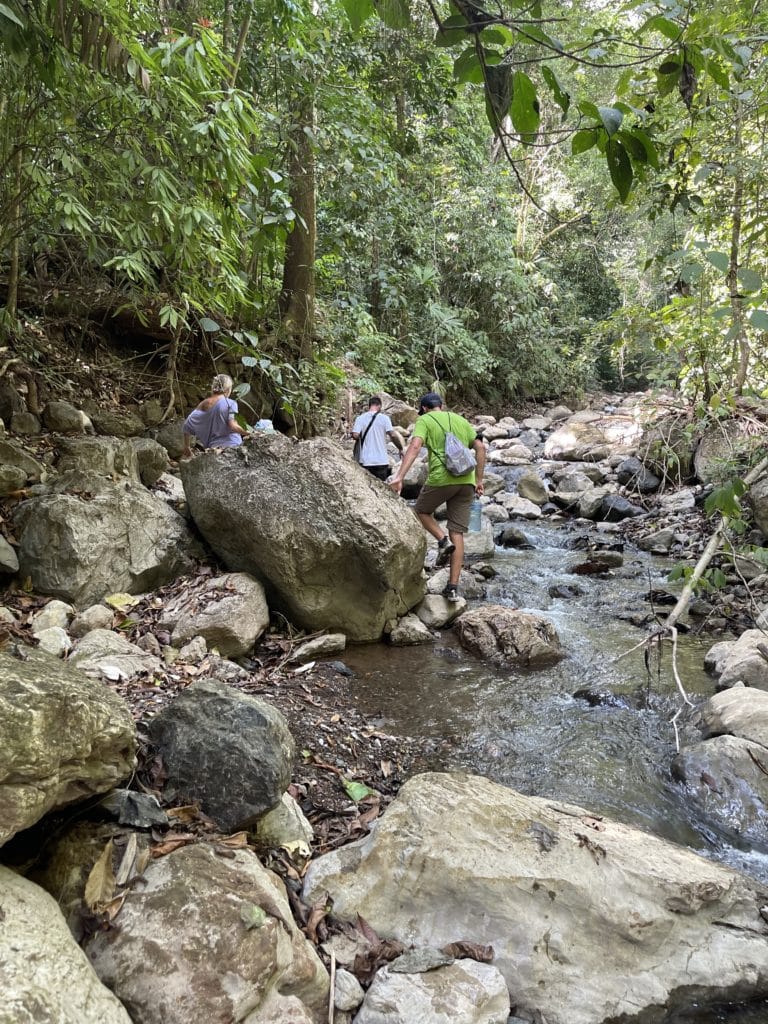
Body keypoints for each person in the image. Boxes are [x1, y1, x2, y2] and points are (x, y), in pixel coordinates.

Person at [389, 392, 485, 601]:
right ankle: (452, 587)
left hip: (442, 478)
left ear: (423, 408)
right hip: (466, 481)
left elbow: (415, 446)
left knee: (421, 511)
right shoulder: (460, 420)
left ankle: (442, 540)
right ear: (441, 405)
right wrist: (479, 479)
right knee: (457, 533)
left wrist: (399, 477)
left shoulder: (424, 420)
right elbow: (480, 447)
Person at [182, 373, 249, 457]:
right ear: (227, 390)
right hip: (233, 447)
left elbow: (186, 425)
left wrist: (187, 446)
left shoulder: (203, 404)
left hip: (214, 451)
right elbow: (233, 425)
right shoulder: (231, 403)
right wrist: (248, 433)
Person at [352, 395, 404, 480]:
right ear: (379, 406)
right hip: (381, 461)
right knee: (380, 488)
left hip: (366, 461)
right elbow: (393, 435)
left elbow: (355, 435)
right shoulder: (385, 418)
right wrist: (400, 448)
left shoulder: (360, 418)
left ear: (369, 406)